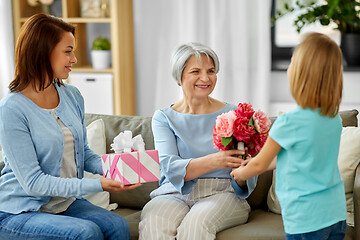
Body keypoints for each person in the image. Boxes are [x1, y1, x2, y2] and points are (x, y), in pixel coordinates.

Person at [0, 13, 140, 240]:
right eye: (68, 51)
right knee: (86, 233)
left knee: (118, 226)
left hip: (63, 204)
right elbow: (33, 183)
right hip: (19, 210)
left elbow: (83, 153)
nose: (74, 59)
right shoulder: (12, 109)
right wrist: (97, 185)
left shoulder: (71, 95)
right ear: (43, 52)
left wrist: (119, 170)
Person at [231, 32, 347, 240]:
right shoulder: (333, 119)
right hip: (335, 214)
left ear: (300, 75)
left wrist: (241, 174)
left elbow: (258, 165)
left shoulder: (288, 123)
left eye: (292, 62)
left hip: (306, 218)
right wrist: (255, 163)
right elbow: (295, 158)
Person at [139, 42, 258, 239]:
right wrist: (217, 160)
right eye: (195, 71)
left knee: (195, 226)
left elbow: (244, 174)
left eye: (211, 71)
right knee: (154, 223)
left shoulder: (235, 114)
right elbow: (170, 167)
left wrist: (244, 171)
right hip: (173, 193)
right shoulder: (164, 117)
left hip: (223, 193)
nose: (205, 78)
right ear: (179, 77)